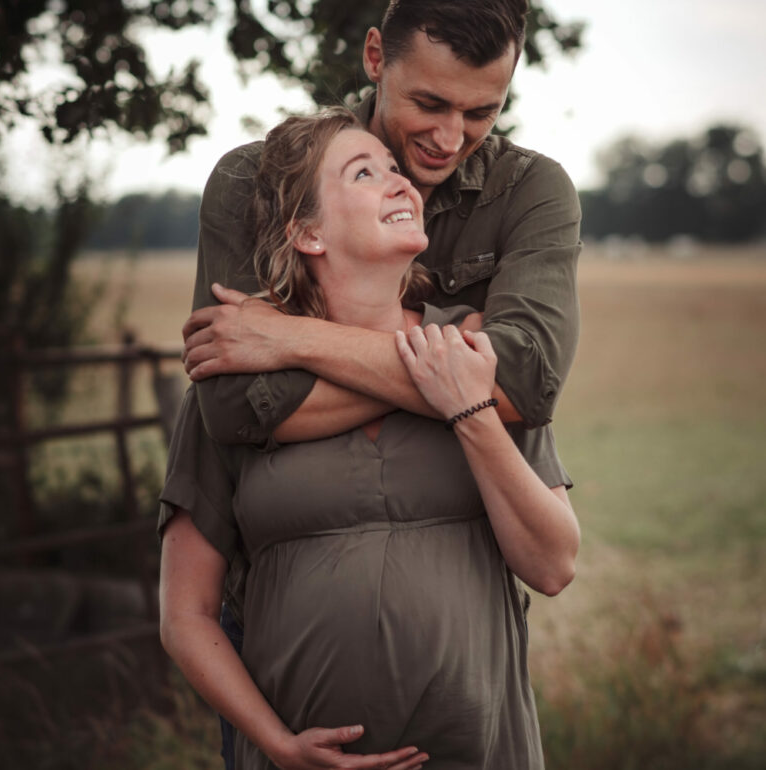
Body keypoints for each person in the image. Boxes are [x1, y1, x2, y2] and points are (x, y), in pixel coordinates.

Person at [179, 0, 580, 765]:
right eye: (429, 102)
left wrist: (290, 338)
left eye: (481, 111)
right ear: (374, 57)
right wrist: (456, 363)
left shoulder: (530, 193)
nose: (448, 138)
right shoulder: (260, 176)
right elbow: (235, 405)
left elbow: (527, 383)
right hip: (282, 683)